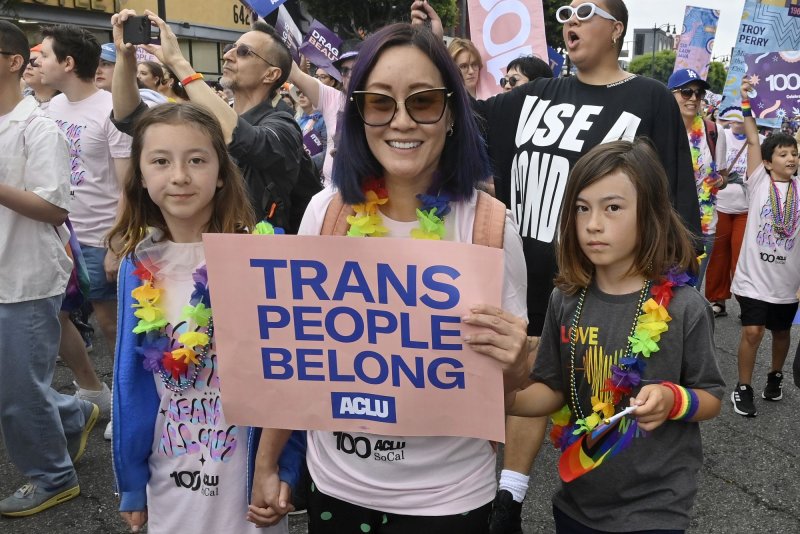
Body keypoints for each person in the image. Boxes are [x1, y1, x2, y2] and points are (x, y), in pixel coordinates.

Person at [412, 3, 701, 530]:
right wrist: (435, 44)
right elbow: (459, 111)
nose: (569, 20)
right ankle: (508, 499)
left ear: (617, 28)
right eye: (564, 11)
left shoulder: (649, 97)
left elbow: (673, 195)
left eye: (585, 10)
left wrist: (674, 286)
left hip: (606, 285)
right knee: (530, 380)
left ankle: (611, 505)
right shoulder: (535, 97)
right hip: (527, 275)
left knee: (602, 396)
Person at [248, 23, 529, 532]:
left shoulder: (490, 227)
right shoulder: (324, 214)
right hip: (336, 488)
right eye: (379, 103)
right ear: (358, 115)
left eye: (422, 101)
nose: (401, 121)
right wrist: (267, 463)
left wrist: (515, 363)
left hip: (449, 501)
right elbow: (296, 364)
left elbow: (506, 394)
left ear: (451, 115)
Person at [509, 138, 724, 532]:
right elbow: (552, 389)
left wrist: (672, 399)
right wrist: (504, 396)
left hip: (656, 507)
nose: (593, 223)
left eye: (612, 208)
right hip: (578, 501)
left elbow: (710, 397)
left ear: (650, 215)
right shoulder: (564, 299)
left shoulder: (683, 306)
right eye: (581, 208)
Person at [108, 102, 304, 534]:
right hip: (169, 480)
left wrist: (284, 469)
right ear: (141, 177)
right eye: (160, 161)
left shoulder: (258, 257)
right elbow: (131, 385)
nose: (179, 176)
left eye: (196, 160)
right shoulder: (138, 267)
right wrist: (133, 483)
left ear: (220, 173)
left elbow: (291, 377)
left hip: (246, 481)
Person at [0, 20, 99, 517]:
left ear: (14, 61)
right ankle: (74, 411)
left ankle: (54, 477)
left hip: (24, 279)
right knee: (15, 385)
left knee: (16, 394)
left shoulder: (38, 128)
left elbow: (54, 208)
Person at [110, 9, 319, 233]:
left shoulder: (283, 126)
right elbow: (129, 117)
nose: (228, 55)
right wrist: (125, 56)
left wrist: (178, 62)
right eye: (231, 49)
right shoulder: (204, 117)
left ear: (271, 75)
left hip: (254, 258)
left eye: (244, 52)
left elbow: (241, 138)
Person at [39, 24, 133, 441]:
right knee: (55, 316)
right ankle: (94, 390)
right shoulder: (47, 111)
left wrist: (117, 241)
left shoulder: (112, 109)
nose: (36, 60)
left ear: (68, 62)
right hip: (58, 236)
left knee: (112, 325)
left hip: (101, 236)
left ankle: (126, 405)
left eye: (45, 54)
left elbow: (128, 184)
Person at [730, 77, 800, 417]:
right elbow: (754, 137)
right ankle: (743, 386)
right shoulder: (758, 180)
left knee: (782, 333)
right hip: (753, 279)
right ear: (768, 161)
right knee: (753, 330)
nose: (790, 158)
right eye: (783, 153)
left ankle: (775, 375)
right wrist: (746, 101)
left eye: (794, 153)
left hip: (786, 282)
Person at [668, 68, 725, 287]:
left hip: (703, 226)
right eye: (686, 92)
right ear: (671, 94)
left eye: (698, 93)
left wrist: (720, 181)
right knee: (660, 294)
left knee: (691, 291)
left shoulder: (713, 132)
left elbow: (723, 175)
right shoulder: (661, 130)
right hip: (666, 225)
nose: (693, 98)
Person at [705, 110, 760, 318]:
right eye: (733, 115)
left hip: (747, 210)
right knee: (717, 257)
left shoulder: (759, 141)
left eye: (743, 116)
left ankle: (746, 303)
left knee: (742, 259)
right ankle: (717, 299)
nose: (738, 121)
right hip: (719, 206)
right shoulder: (719, 135)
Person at [289, 39, 361, 184]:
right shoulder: (332, 98)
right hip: (329, 189)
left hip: (367, 194)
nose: (350, 76)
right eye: (344, 70)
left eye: (357, 68)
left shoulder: (383, 104)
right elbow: (295, 74)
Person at [295, 87, 327, 175]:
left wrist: (305, 165)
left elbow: (327, 151)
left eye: (305, 93)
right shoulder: (298, 119)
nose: (301, 96)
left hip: (314, 173)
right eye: (299, 93)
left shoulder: (324, 120)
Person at [23, 44, 59, 109]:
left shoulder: (67, 101)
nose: (28, 67)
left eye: (34, 62)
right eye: (26, 62)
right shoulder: (20, 100)